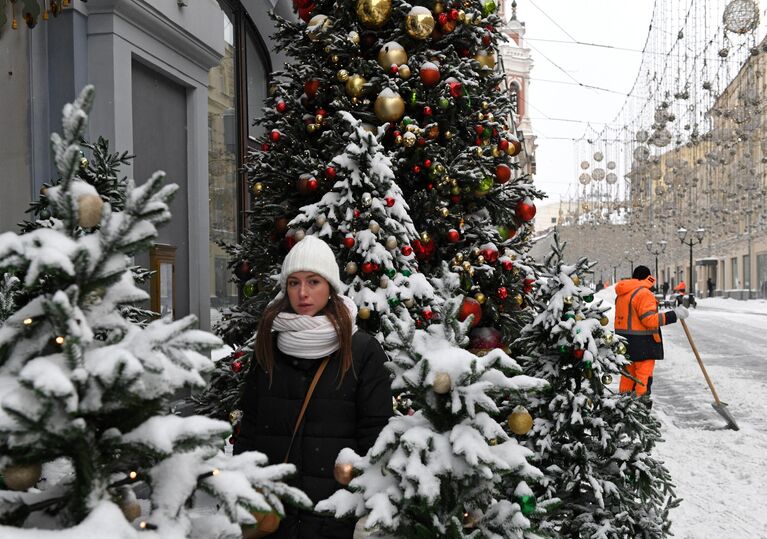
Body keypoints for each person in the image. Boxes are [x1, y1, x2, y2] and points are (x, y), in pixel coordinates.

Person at [234, 235, 392, 538]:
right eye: (293, 283)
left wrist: (363, 504)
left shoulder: (361, 350)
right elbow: (251, 426)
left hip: (333, 516)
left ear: (330, 286)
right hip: (274, 515)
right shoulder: (270, 343)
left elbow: (375, 436)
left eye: (313, 282)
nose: (302, 293)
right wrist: (243, 485)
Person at [614, 265, 689, 397]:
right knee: (643, 378)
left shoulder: (623, 294)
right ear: (648, 277)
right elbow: (650, 320)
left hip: (624, 343)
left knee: (627, 378)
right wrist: (674, 315)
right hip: (643, 344)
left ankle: (623, 409)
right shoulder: (644, 293)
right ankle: (641, 409)